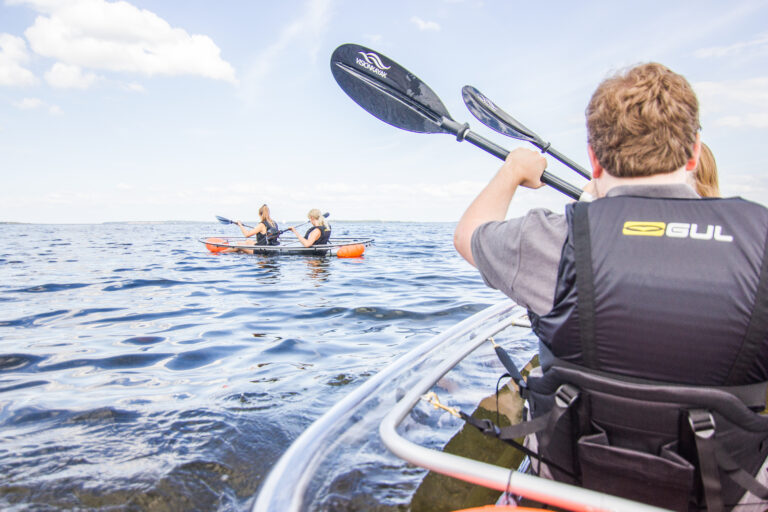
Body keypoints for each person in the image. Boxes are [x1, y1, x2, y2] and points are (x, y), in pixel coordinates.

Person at [454, 62, 768, 510]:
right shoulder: (761, 240)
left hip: (571, 487)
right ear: (694, 153)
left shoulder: (554, 238)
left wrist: (514, 171)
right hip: (731, 497)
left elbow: (469, 235)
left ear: (595, 158)